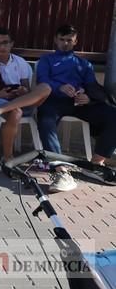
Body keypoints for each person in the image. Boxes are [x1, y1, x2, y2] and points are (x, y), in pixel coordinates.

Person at [35, 24, 116, 192]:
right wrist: (60, 87)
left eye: (69, 40)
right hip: (53, 101)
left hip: (79, 104)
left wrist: (88, 96)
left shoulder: (84, 64)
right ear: (55, 40)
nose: (65, 43)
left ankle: (95, 164)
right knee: (45, 118)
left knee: (113, 114)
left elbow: (92, 86)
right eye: (62, 40)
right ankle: (61, 172)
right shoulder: (46, 60)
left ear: (75, 42)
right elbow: (42, 80)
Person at [0, 27, 51, 164]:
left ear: (12, 44)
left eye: (5, 42)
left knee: (45, 88)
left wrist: (22, 91)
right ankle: (8, 158)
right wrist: (0, 94)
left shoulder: (20, 62)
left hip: (21, 101)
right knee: (15, 112)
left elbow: (28, 91)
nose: (2, 46)